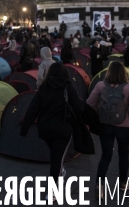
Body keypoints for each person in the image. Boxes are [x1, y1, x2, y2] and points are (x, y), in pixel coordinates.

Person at [20, 63, 83, 193]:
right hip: (63, 130)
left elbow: (33, 109)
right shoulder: (68, 88)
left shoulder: (44, 88)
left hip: (45, 129)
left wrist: (24, 128)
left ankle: (59, 173)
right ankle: (53, 192)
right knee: (57, 160)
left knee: (55, 156)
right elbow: (78, 108)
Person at [87, 61, 129, 193]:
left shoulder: (100, 85)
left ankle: (99, 184)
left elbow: (90, 103)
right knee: (123, 154)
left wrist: (98, 116)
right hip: (124, 127)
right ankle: (123, 183)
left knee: (106, 155)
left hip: (105, 126)